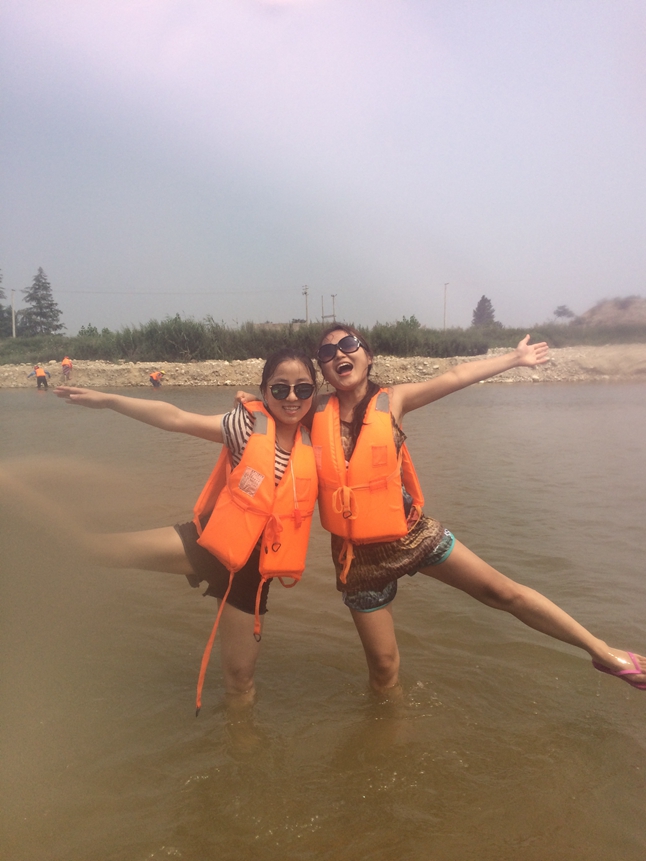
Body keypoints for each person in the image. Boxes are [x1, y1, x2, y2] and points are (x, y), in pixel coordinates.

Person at [310, 324, 646, 695]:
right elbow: (275, 413)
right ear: (322, 370)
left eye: (348, 344)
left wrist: (515, 358)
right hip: (356, 557)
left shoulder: (395, 399)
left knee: (503, 592)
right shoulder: (313, 411)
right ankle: (389, 725)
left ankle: (601, 651)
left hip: (411, 533)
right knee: (384, 669)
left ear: (368, 355)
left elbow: (456, 376)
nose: (338, 354)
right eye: (327, 353)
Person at [54, 347, 318, 712]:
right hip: (209, 543)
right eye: (279, 388)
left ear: (314, 393)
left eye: (302, 389)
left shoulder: (319, 438)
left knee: (240, 680)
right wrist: (111, 401)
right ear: (264, 390)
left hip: (252, 573)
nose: (291, 397)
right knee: (95, 549)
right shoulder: (245, 426)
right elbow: (176, 418)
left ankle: (242, 744)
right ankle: (26, 545)